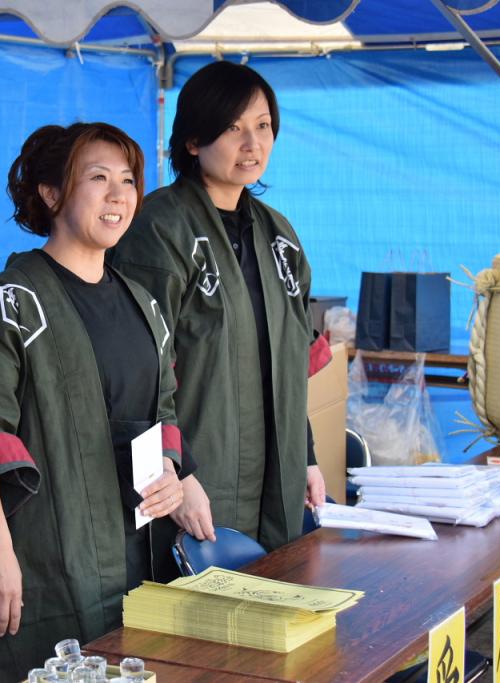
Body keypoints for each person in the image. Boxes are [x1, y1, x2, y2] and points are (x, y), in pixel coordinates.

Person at [0, 122, 191, 682]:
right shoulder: (11, 302)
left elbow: (163, 408)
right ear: (51, 194)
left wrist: (171, 470)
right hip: (43, 552)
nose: (118, 194)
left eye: (128, 180)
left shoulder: (143, 304)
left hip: (137, 547)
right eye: (97, 178)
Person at [110, 61, 328, 552]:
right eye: (233, 128)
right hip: (195, 484)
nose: (252, 144)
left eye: (263, 126)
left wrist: (307, 457)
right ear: (193, 140)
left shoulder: (279, 236)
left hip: (276, 479)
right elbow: (134, 371)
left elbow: (288, 365)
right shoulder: (160, 229)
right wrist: (172, 476)